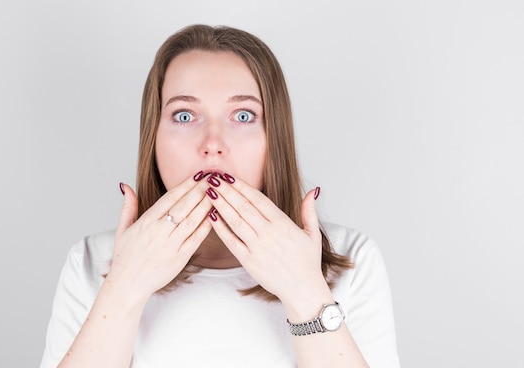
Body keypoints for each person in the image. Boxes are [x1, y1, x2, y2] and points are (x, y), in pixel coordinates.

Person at [40, 24, 400, 368]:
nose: (212, 145)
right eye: (184, 115)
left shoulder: (352, 259)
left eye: (243, 115)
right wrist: (124, 285)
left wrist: (305, 290)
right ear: (153, 137)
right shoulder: (91, 261)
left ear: (275, 137)